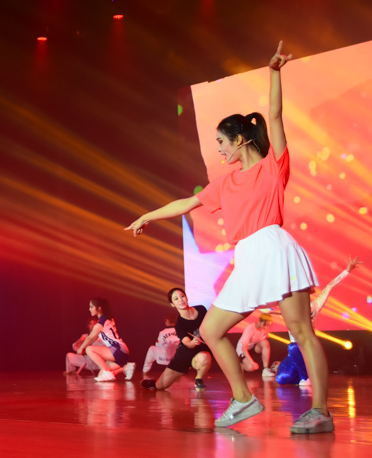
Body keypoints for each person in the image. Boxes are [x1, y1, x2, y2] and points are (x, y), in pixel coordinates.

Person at [126, 42, 332, 433]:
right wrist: (147, 215)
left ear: (239, 139)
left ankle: (320, 411)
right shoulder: (224, 184)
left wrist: (274, 73)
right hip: (248, 256)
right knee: (210, 329)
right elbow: (187, 203)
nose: (218, 149)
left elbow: (275, 115)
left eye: (221, 141)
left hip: (274, 247)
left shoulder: (272, 167)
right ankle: (244, 399)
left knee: (303, 332)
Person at [274, 256, 362, 386]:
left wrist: (347, 271)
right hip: (295, 353)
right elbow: (266, 308)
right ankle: (302, 375)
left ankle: (306, 378)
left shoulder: (315, 305)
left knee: (293, 347)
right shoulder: (289, 306)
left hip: (307, 348)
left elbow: (329, 286)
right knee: (280, 379)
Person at [141, 288, 212, 391]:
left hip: (201, 351)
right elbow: (187, 343)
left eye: (182, 296)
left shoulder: (201, 310)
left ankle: (198, 379)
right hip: (185, 352)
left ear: (186, 298)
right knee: (161, 386)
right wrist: (192, 342)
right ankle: (156, 383)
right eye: (176, 299)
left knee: (204, 358)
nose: (180, 300)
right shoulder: (179, 324)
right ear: (172, 304)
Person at [76, 298, 134, 381]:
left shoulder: (99, 325)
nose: (89, 309)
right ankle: (126, 367)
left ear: (99, 308)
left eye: (91, 307)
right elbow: (94, 337)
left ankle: (108, 373)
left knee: (89, 349)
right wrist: (84, 348)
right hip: (122, 350)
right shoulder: (108, 319)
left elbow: (90, 338)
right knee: (101, 373)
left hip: (117, 350)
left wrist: (81, 348)